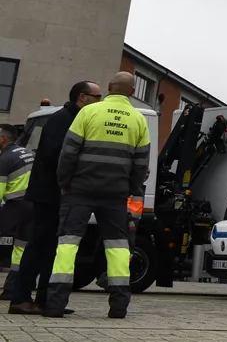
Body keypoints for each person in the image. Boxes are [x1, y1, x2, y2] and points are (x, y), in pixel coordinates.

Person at [44, 73, 150, 319]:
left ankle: (55, 304)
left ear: (110, 88)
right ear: (132, 92)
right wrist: (130, 187)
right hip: (115, 193)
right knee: (117, 247)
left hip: (80, 189)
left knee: (68, 244)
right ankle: (119, 306)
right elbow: (141, 163)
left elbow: (68, 152)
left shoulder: (88, 112)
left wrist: (64, 182)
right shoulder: (138, 119)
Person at [10, 82, 99, 315]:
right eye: (96, 96)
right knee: (39, 244)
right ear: (82, 97)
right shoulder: (63, 119)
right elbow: (54, 154)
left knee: (51, 247)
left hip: (55, 192)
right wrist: (65, 182)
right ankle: (20, 297)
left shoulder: (71, 118)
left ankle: (45, 298)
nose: (100, 101)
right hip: (50, 193)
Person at [0, 124, 35, 299]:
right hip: (34, 205)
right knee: (21, 247)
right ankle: (12, 288)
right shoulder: (27, 153)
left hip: (17, 205)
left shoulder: (5, 158)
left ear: (3, 139)